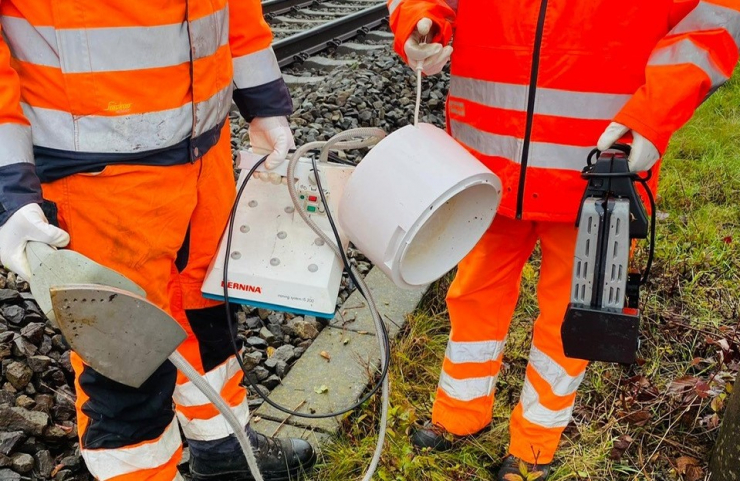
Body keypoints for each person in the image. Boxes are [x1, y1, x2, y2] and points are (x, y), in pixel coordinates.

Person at [387, 1, 740, 478]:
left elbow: (714, 22)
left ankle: (535, 443)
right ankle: (459, 412)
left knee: (573, 312)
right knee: (474, 290)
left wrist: (657, 111)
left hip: (602, 166)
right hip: (489, 163)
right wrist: (417, 15)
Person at [0, 1, 315, 480]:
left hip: (204, 151)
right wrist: (9, 186)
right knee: (125, 355)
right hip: (95, 175)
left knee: (208, 310)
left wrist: (264, 103)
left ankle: (223, 446)